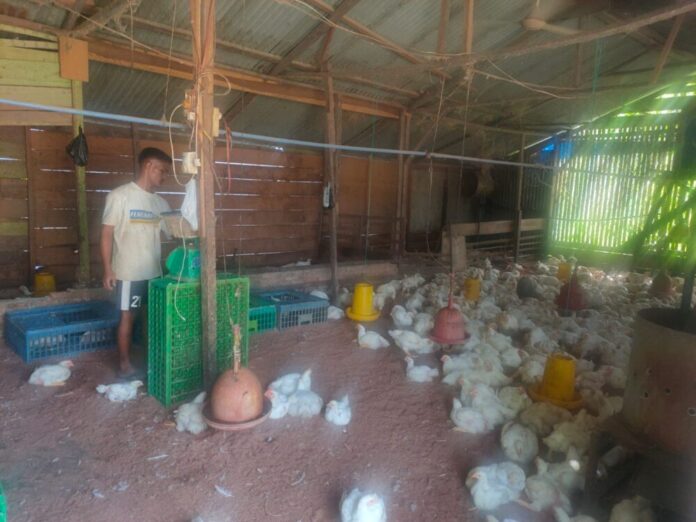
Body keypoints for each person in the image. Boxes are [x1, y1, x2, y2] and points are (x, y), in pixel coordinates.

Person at [101, 147, 172, 377]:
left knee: (152, 317)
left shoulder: (160, 203)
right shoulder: (119, 196)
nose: (164, 176)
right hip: (128, 273)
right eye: (162, 170)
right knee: (127, 317)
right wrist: (108, 269)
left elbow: (173, 232)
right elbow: (106, 234)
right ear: (149, 166)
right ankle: (124, 364)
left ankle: (151, 360)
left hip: (154, 273)